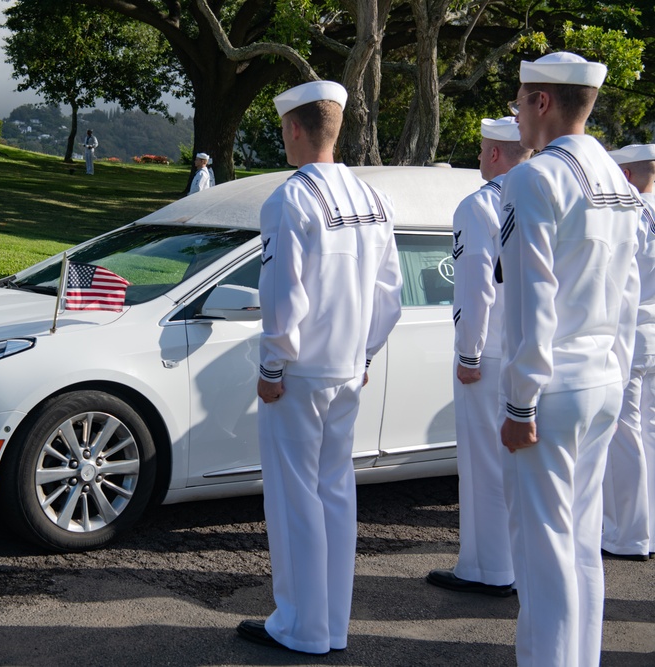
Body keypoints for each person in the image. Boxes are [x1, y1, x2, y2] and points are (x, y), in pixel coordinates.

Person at [237, 80, 403, 655]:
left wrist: (273, 365)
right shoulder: (371, 197)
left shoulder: (290, 199)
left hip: (302, 372)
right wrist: (364, 354)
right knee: (335, 495)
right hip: (346, 369)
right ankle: (331, 625)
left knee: (293, 499)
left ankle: (300, 626)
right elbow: (390, 296)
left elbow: (284, 296)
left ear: (294, 129)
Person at [500, 52, 642, 667]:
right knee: (582, 544)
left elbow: (533, 301)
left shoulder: (534, 177)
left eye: (521, 98)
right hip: (603, 374)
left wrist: (519, 399)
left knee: (544, 549)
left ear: (542, 102)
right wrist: (619, 367)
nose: (517, 111)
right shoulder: (615, 178)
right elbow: (631, 294)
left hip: (553, 385)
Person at [427, 117, 530, 597]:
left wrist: (468, 353)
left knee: (483, 464)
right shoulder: (546, 199)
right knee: (520, 466)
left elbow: (474, 287)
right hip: (534, 350)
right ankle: (514, 561)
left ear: (492, 154)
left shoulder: (480, 205)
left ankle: (487, 568)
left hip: (489, 352)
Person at [602, 143, 655, 562]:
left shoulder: (630, 211)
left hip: (632, 332)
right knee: (647, 433)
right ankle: (646, 528)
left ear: (627, 175)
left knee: (625, 433)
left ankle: (627, 534)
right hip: (652, 332)